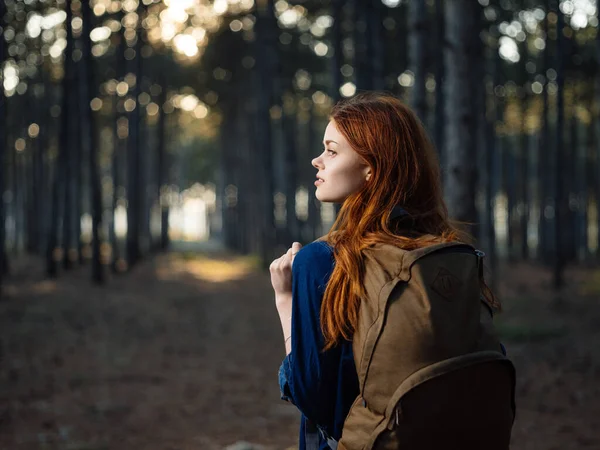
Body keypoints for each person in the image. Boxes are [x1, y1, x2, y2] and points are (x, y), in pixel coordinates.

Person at [269, 92, 505, 450]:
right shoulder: (445, 251)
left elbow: (313, 398)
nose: (317, 160)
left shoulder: (321, 260)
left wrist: (285, 299)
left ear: (371, 168)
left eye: (332, 151)